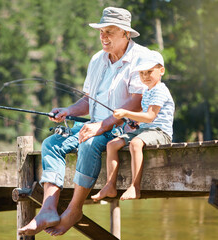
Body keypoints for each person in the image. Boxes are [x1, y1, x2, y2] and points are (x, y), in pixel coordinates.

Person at [18, 6, 150, 237]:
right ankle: (48, 208)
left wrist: (102, 125)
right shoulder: (97, 60)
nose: (103, 36)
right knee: (52, 143)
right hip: (96, 125)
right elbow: (89, 101)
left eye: (109, 31)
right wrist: (68, 111)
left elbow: (138, 102)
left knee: (89, 143)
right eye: (101, 31)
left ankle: (74, 209)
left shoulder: (143, 59)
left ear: (126, 34)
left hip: (125, 129)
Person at [91, 50, 175, 202]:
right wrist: (135, 122)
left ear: (161, 71)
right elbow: (144, 116)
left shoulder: (160, 90)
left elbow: (150, 117)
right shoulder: (147, 91)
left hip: (160, 132)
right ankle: (110, 186)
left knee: (136, 144)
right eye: (142, 73)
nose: (145, 76)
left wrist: (126, 113)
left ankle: (135, 187)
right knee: (112, 145)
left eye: (149, 72)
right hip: (145, 130)